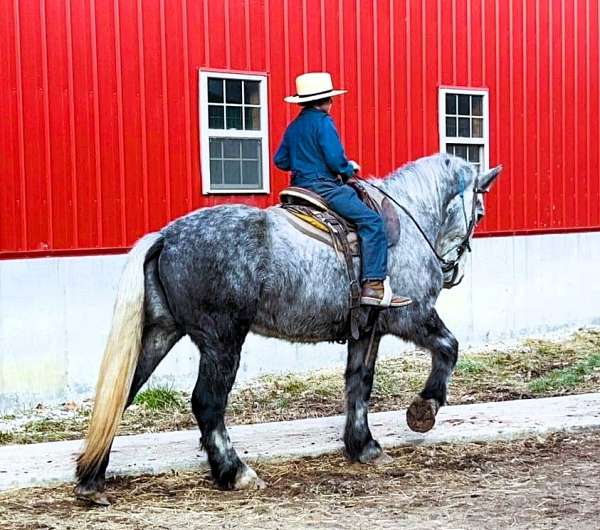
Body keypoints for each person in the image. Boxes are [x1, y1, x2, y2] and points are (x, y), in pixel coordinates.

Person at [274, 72, 411, 308]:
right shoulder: (324, 122)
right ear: (326, 100)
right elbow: (336, 160)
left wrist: (303, 159)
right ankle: (374, 285)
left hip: (298, 189)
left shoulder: (294, 126)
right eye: (330, 99)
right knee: (372, 222)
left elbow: (281, 161)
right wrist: (349, 169)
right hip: (325, 189)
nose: (331, 103)